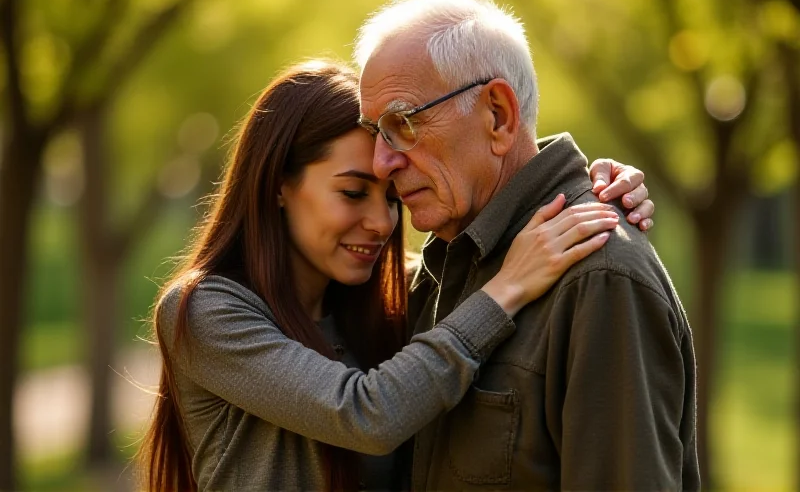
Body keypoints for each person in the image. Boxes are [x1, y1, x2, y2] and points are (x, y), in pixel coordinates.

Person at [135, 61, 655, 492]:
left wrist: (590, 185)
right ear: (278, 185)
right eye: (353, 193)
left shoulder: (396, 296)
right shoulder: (205, 311)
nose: (383, 223)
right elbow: (366, 413)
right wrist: (506, 290)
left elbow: (491, 222)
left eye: (391, 196)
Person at [356, 0, 700, 491]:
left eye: (403, 124)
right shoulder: (438, 271)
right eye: (375, 132)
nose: (380, 163)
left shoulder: (599, 278)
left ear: (498, 115)